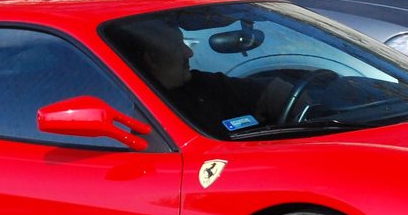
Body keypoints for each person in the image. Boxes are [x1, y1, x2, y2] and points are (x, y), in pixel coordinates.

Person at [115, 17, 292, 131]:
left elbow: (270, 92)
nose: (189, 53)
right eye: (178, 45)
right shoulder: (133, 114)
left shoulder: (200, 85)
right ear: (152, 59)